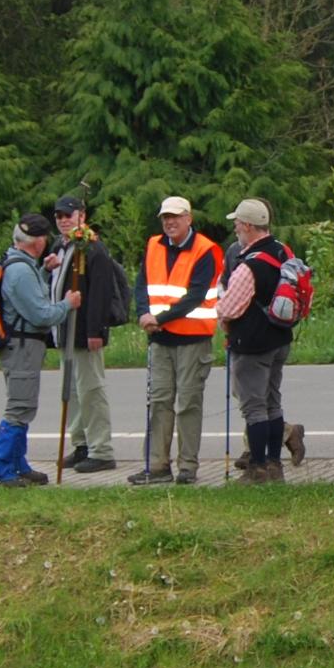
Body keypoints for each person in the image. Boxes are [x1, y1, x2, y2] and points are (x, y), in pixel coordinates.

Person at [131, 196, 220, 486]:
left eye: (176, 217)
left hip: (193, 338)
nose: (170, 222)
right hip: (160, 339)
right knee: (158, 401)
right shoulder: (153, 245)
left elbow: (196, 295)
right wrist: (144, 313)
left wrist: (160, 318)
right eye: (165, 217)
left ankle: (187, 467)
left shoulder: (207, 250)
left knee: (188, 404)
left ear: (188, 218)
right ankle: (157, 465)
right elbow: (141, 284)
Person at [0, 214, 81, 487]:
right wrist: (67, 304)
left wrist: (43, 271)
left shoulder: (21, 265)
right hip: (23, 347)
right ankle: (0, 470)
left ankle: (18, 464)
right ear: (38, 242)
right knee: (18, 408)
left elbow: (25, 299)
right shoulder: (19, 271)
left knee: (24, 406)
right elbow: (40, 314)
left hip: (23, 346)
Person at [216, 198, 300, 484]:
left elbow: (228, 308)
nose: (236, 228)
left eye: (238, 223)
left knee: (254, 408)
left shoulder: (248, 266)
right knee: (273, 403)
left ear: (249, 226)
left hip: (252, 344)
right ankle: (275, 465)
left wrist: (222, 317)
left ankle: (258, 469)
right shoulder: (282, 251)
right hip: (280, 338)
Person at [48, 196, 129, 475]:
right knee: (71, 390)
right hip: (64, 331)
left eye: (68, 215)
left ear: (82, 215)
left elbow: (101, 293)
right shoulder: (60, 247)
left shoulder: (93, 248)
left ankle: (101, 449)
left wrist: (96, 330)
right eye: (58, 216)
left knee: (91, 391)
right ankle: (81, 443)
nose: (63, 220)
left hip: (84, 332)